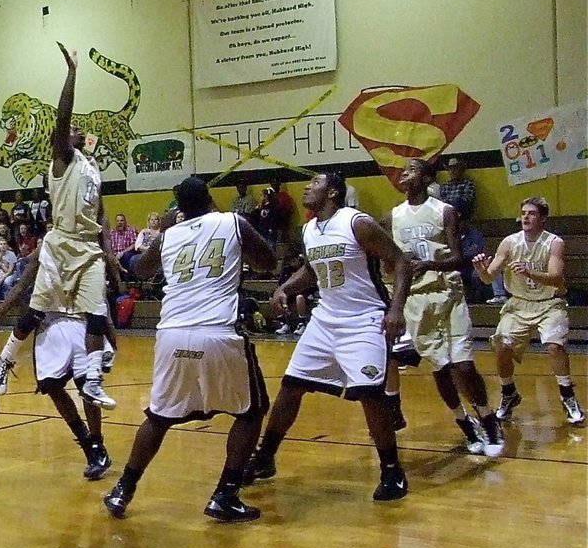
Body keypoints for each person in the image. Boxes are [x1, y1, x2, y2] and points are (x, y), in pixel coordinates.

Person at [103, 176, 277, 522]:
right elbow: (268, 262)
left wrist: (164, 231)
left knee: (159, 415)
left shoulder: (168, 235)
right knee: (252, 411)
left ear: (179, 206)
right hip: (218, 330)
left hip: (172, 334)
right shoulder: (233, 222)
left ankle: (123, 489)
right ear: (210, 197)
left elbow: (141, 270)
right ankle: (225, 495)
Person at [243, 171, 414, 501]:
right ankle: (265, 458)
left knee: (370, 394)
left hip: (364, 319)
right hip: (326, 319)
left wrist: (395, 310)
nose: (307, 188)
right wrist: (285, 288)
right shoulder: (309, 229)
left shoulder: (357, 223)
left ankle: (392, 470)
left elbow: (401, 262)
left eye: (314, 184)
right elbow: (312, 269)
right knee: (291, 387)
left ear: (333, 192)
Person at [0, 42, 117, 410]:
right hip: (60, 245)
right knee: (34, 312)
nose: (73, 129)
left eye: (78, 128)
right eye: (70, 128)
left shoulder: (93, 169)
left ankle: (93, 381)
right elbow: (62, 118)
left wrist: (107, 246)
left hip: (88, 246)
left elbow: (101, 211)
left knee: (97, 312)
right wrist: (72, 73)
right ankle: (5, 360)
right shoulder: (63, 159)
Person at [387, 159, 504, 456]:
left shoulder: (444, 211)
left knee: (463, 365)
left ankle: (488, 419)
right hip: (416, 300)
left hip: (447, 294)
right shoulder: (394, 216)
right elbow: (390, 261)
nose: (404, 173)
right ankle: (465, 424)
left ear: (426, 179)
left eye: (412, 170)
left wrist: (429, 264)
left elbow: (459, 259)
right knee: (440, 368)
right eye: (404, 170)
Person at [0, 249, 114, 481]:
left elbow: (100, 299)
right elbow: (20, 288)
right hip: (51, 323)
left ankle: (97, 446)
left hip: (82, 321)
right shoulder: (43, 251)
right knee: (52, 385)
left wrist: (110, 337)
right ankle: (85, 442)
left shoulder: (88, 250)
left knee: (87, 387)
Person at [473, 197, 584, 425]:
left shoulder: (554, 243)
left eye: (532, 213)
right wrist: (481, 270)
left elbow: (555, 278)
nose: (525, 217)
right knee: (501, 346)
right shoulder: (509, 242)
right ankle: (509, 393)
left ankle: (567, 395)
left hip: (549, 303)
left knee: (555, 347)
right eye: (523, 212)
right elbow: (489, 278)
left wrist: (528, 272)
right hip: (519, 303)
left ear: (542, 219)